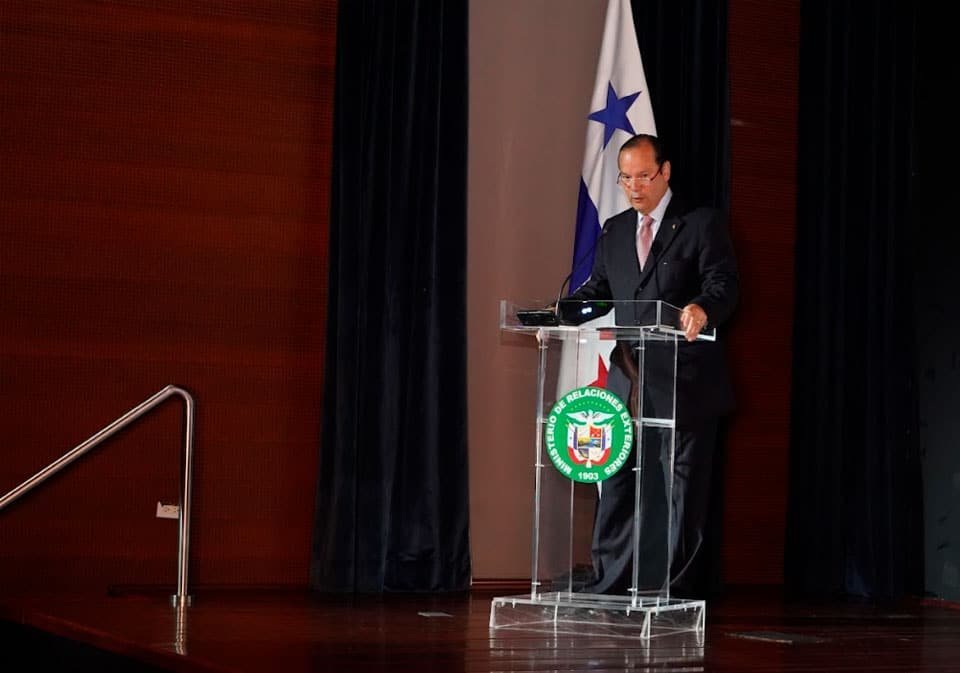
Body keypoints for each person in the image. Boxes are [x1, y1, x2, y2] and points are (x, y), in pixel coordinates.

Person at [568, 133, 738, 597]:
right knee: (619, 481)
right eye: (626, 178)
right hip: (630, 377)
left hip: (685, 381)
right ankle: (612, 583)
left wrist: (702, 307)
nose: (635, 186)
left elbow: (723, 285)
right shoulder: (617, 230)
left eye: (644, 175)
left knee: (679, 491)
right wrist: (562, 311)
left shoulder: (700, 224)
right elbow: (600, 289)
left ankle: (674, 591)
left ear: (665, 172)